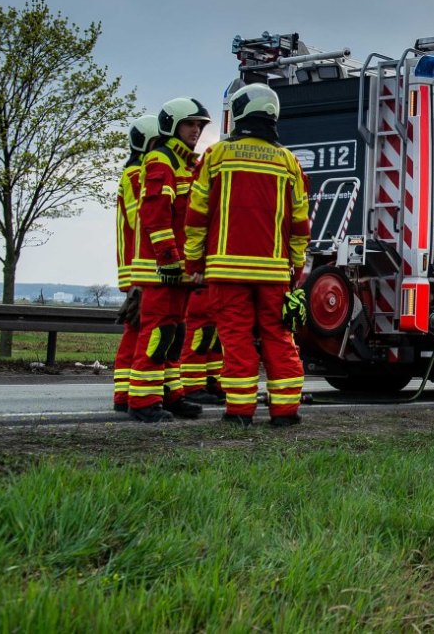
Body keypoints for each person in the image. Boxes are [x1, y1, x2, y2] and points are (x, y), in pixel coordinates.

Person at [185, 82, 310, 428]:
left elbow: (196, 215)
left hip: (225, 270)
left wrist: (194, 262)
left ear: (240, 112)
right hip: (273, 273)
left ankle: (239, 411)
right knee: (278, 336)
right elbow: (301, 223)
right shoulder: (289, 162)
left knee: (236, 337)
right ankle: (285, 411)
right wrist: (295, 267)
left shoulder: (216, 155)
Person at [127, 97, 213, 422]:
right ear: (173, 125)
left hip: (180, 268)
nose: (196, 130)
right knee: (158, 332)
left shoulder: (186, 164)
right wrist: (168, 260)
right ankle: (142, 402)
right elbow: (155, 216)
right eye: (190, 124)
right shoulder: (160, 160)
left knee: (175, 332)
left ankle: (170, 395)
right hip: (163, 267)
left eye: (200, 126)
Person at [111, 114, 160, 412]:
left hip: (137, 265)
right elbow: (142, 221)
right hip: (140, 266)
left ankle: (125, 393)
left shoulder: (135, 172)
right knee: (139, 330)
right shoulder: (135, 175)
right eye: (155, 143)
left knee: (138, 329)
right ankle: (125, 395)